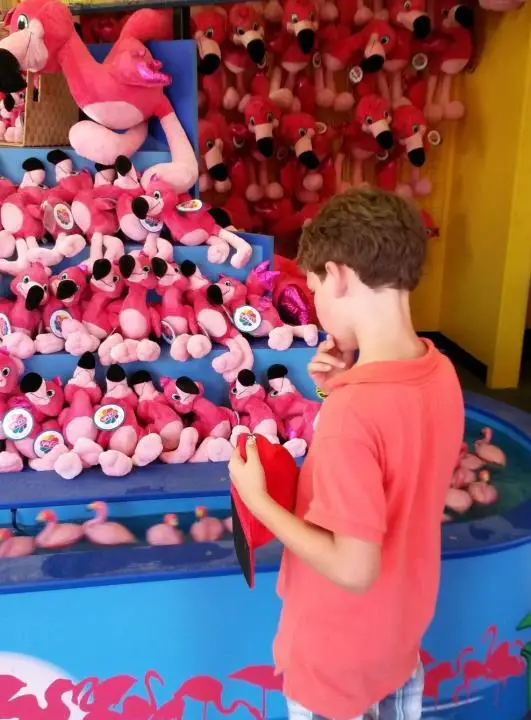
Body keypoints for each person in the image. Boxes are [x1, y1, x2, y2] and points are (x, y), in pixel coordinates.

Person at [228, 188, 464, 720]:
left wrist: (259, 501)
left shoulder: (354, 413)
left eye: (313, 288)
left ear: (336, 275)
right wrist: (346, 383)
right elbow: (402, 460)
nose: (315, 303)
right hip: (397, 639)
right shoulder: (440, 371)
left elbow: (354, 568)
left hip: (334, 656)